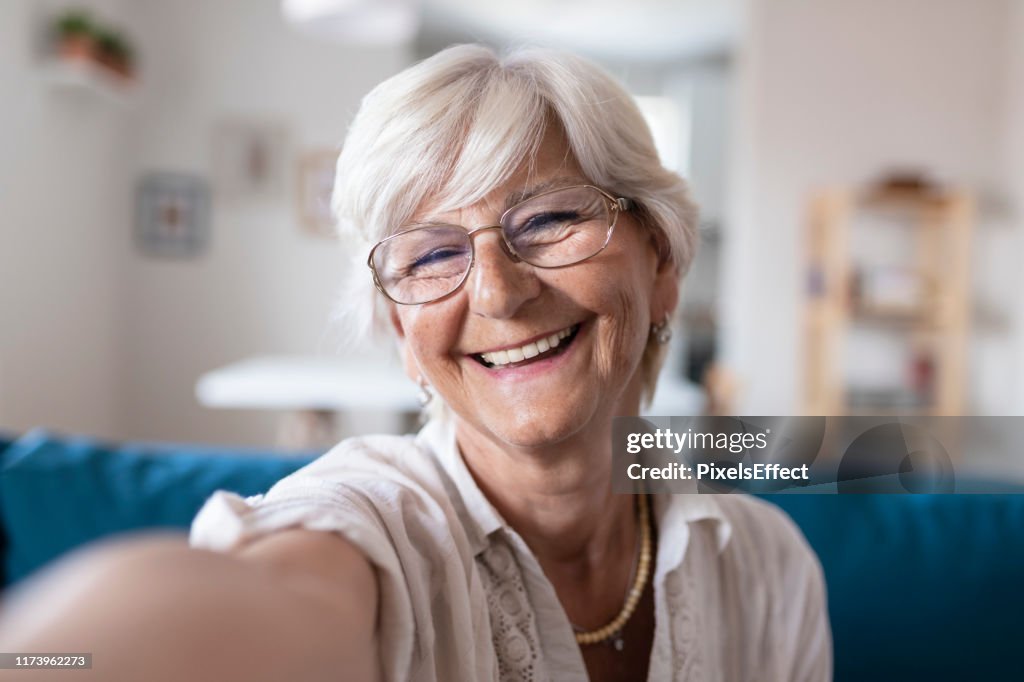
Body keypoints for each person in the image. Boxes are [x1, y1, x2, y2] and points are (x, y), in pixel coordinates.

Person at [0, 44, 830, 682]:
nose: (499, 294)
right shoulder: (374, 532)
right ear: (402, 333)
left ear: (661, 265)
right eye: (430, 257)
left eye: (546, 220)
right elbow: (268, 602)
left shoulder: (765, 564)